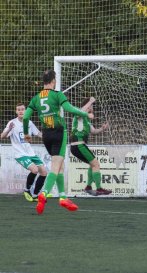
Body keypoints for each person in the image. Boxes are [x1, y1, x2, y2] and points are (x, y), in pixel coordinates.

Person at [23, 69, 93, 215]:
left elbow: (25, 117)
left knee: (60, 166)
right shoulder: (57, 94)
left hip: (46, 135)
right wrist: (84, 113)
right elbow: (68, 108)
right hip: (59, 134)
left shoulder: (36, 98)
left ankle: (62, 196)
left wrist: (26, 133)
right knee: (55, 167)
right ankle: (43, 194)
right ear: (53, 81)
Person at [1, 103, 47, 202]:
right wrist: (9, 129)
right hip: (20, 154)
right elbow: (2, 136)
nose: (21, 111)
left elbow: (38, 133)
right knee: (34, 170)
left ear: (25, 111)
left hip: (31, 153)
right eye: (19, 109)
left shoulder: (29, 123)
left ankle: (35, 195)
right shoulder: (12, 123)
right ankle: (27, 190)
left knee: (43, 172)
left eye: (23, 109)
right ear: (16, 111)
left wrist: (48, 137)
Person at [70, 97, 111, 196]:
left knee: (92, 165)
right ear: (88, 106)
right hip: (79, 145)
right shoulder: (79, 115)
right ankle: (99, 188)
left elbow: (93, 131)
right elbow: (81, 111)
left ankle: (88, 187)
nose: (92, 107)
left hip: (78, 146)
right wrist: (90, 101)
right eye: (92, 106)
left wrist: (102, 128)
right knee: (96, 164)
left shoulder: (87, 121)